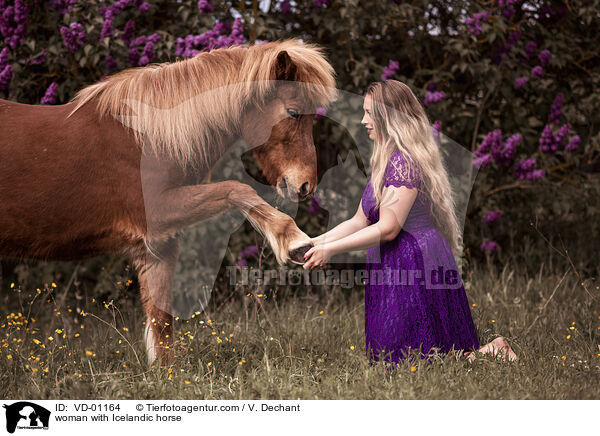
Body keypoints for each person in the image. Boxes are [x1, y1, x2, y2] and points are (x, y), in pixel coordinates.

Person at [302, 79, 517, 365]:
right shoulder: (386, 160)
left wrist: (332, 251)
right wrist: (316, 242)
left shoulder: (403, 162)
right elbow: (359, 220)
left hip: (416, 261)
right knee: (395, 360)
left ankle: (493, 351)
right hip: (394, 262)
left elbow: (389, 228)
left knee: (417, 361)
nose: (363, 120)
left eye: (370, 113)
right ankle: (483, 354)